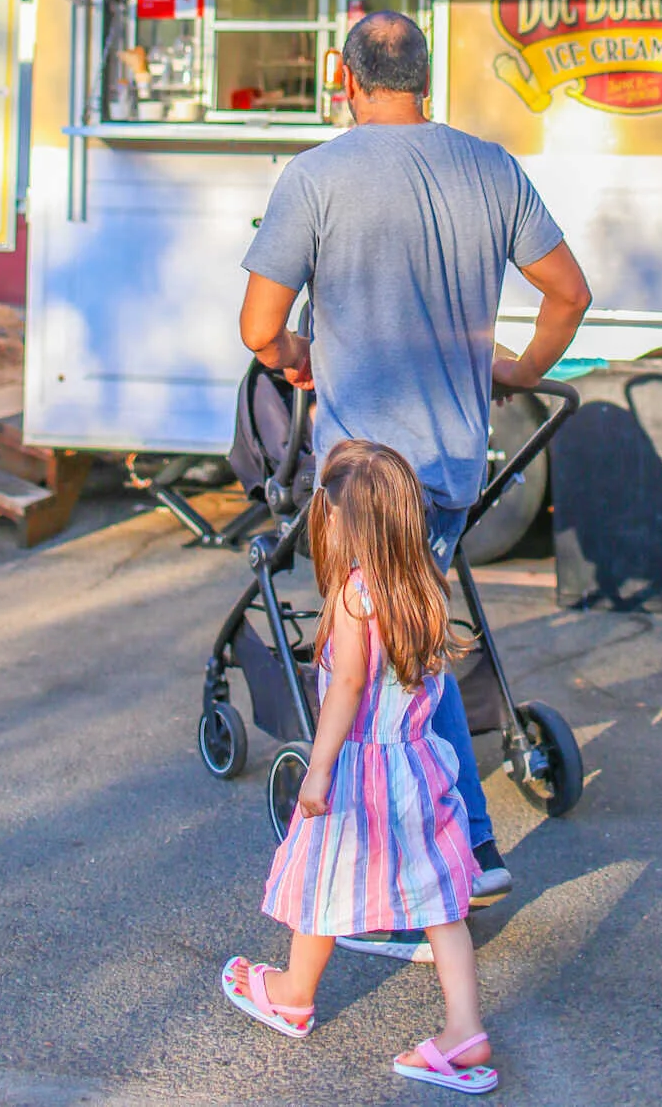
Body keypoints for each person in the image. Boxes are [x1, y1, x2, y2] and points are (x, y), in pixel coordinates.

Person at [239, 8, 591, 958]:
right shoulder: (490, 168)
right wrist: (516, 370)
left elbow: (258, 328)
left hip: (360, 484)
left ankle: (405, 890)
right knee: (413, 657)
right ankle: (473, 847)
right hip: (445, 471)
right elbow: (569, 294)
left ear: (340, 76)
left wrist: (297, 354)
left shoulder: (313, 177)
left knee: (368, 676)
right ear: (426, 78)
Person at [221, 440, 497, 1093]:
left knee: (319, 880)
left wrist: (318, 770)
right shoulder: (425, 581)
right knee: (441, 905)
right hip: (419, 765)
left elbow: (345, 689)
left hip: (361, 769)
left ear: (343, 523)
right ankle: (465, 1030)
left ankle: (292, 994)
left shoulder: (355, 596)